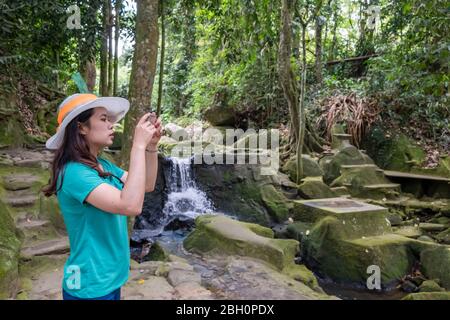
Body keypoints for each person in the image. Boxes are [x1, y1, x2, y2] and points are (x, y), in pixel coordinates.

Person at [42, 93, 162, 300]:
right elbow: (130, 206)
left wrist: (151, 147)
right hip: (89, 282)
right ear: (81, 127)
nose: (112, 125)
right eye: (104, 119)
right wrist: (138, 146)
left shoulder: (103, 165)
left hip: (110, 277)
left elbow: (147, 185)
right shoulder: (74, 172)